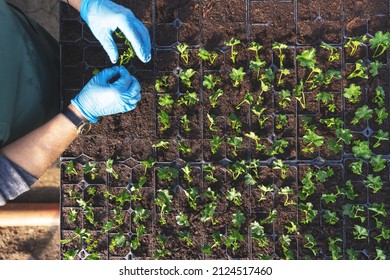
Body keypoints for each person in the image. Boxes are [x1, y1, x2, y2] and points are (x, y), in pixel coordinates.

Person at [0, 0, 151, 206]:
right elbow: (4, 178)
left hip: (20, 40)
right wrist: (77, 114)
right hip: (35, 127)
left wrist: (85, 4)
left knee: (52, 60)